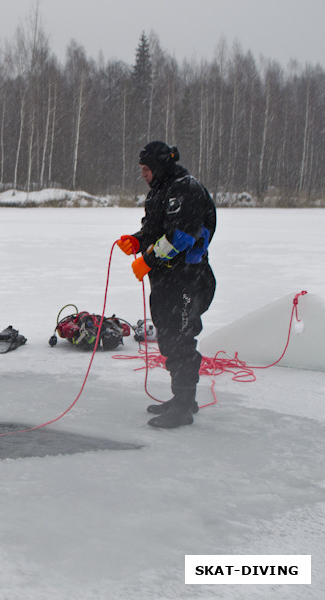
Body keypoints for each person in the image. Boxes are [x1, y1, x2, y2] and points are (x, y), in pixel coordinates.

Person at [117, 141, 216, 428]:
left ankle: (184, 407)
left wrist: (147, 260)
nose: (143, 175)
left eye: (146, 169)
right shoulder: (162, 189)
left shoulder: (184, 188)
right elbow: (157, 229)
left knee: (180, 340)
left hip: (186, 279)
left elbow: (181, 238)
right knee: (169, 338)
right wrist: (138, 239)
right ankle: (182, 398)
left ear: (159, 166)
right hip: (167, 280)